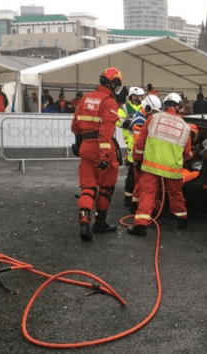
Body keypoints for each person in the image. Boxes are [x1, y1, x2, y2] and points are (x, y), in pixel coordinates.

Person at [127, 93, 193, 236]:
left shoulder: (153, 119)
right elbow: (187, 154)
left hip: (152, 166)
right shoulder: (185, 127)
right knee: (176, 194)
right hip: (172, 169)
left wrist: (138, 160)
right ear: (178, 106)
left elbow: (139, 144)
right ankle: (181, 219)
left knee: (147, 194)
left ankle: (140, 225)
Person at [71, 67, 124, 241]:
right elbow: (105, 132)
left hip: (86, 147)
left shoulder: (85, 99)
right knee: (106, 187)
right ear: (114, 84)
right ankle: (100, 222)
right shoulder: (109, 103)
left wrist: (82, 142)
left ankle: (84, 222)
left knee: (88, 187)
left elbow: (75, 127)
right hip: (103, 148)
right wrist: (105, 156)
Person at [117, 86, 146, 207]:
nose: (141, 98)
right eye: (140, 95)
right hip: (131, 143)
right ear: (133, 96)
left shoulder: (144, 106)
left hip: (142, 141)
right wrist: (129, 124)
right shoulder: (124, 108)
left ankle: (139, 197)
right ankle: (128, 199)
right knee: (132, 175)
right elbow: (118, 120)